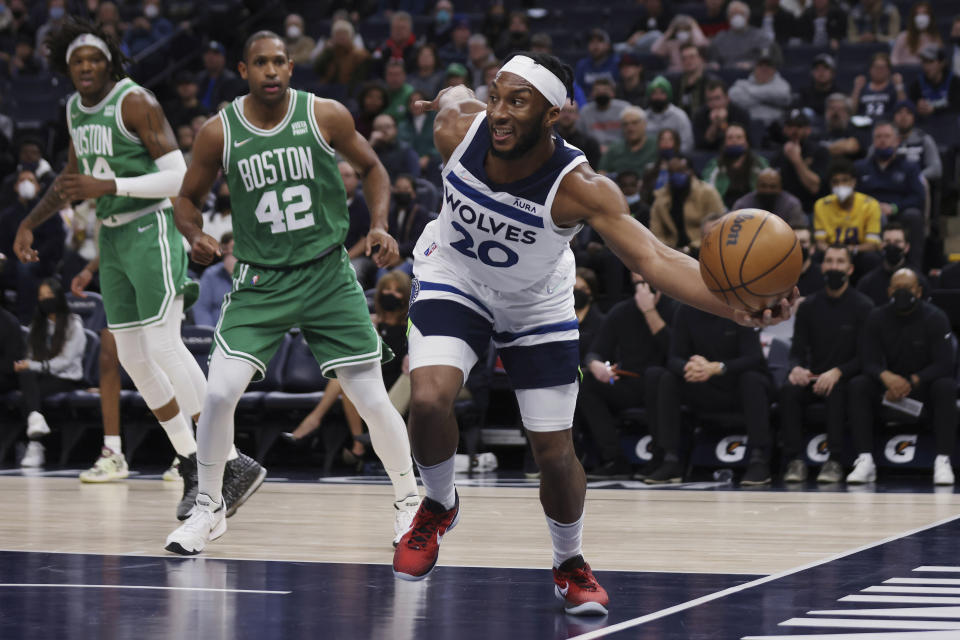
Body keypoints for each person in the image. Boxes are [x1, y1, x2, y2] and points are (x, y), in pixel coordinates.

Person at [391, 52, 793, 616]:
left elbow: (655, 259)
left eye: (518, 102)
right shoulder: (457, 128)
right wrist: (451, 91)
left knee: (554, 453)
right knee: (429, 399)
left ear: (555, 113)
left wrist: (738, 308)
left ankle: (569, 563)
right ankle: (436, 504)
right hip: (453, 275)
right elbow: (457, 93)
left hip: (536, 302)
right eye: (497, 96)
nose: (500, 112)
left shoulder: (580, 187)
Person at [166, 31, 421, 555]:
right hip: (262, 279)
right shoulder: (220, 132)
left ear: (290, 66)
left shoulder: (324, 114)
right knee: (217, 393)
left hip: (328, 274)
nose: (271, 71)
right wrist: (195, 236)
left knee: (371, 397)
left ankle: (410, 502)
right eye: (260, 62)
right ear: (243, 69)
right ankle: (209, 508)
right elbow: (186, 200)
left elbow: (373, 167)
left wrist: (378, 222)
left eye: (279, 61)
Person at [15, 18, 262, 520]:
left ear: (110, 62)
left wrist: (110, 189)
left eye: (94, 60)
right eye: (77, 62)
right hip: (114, 236)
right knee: (132, 356)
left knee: (164, 344)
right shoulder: (73, 110)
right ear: (68, 68)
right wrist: (29, 221)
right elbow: (71, 176)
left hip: (151, 228)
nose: (86, 68)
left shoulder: (135, 101)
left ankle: (230, 460)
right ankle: (192, 460)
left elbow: (177, 173)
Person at [646, 299, 774, 485]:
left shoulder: (740, 308)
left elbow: (754, 358)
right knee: (668, 378)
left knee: (751, 379)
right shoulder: (686, 310)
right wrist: (688, 368)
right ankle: (670, 459)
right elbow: (674, 357)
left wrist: (719, 367)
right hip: (703, 385)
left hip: (736, 388)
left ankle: (758, 459)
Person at [847, 268, 957, 485]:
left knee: (946, 386)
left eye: (907, 288)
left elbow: (945, 364)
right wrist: (886, 376)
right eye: (897, 288)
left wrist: (913, 380)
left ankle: (943, 460)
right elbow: (868, 360)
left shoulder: (935, 317)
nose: (902, 293)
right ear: (889, 291)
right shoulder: (876, 317)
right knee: (858, 385)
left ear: (918, 291)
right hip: (887, 386)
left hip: (923, 385)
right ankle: (865, 460)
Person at [780, 245, 874, 483]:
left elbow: (867, 357)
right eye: (829, 261)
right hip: (814, 376)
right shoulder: (808, 306)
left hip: (844, 376)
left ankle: (834, 461)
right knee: (789, 390)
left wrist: (838, 372)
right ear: (822, 266)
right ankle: (794, 460)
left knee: (838, 389)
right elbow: (797, 350)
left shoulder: (863, 306)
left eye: (840, 261)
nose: (834, 266)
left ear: (850, 269)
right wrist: (796, 368)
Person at [580, 274, 674, 479]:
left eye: (648, 283)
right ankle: (614, 458)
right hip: (631, 382)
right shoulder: (621, 311)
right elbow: (596, 351)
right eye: (638, 284)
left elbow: (674, 352)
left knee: (656, 376)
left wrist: (650, 312)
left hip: (669, 384)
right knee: (588, 383)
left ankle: (662, 455)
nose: (643, 289)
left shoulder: (675, 308)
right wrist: (597, 365)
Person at [15, 278, 86, 468]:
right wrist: (27, 365)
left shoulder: (73, 324)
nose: (45, 299)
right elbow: (31, 355)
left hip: (67, 377)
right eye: (41, 296)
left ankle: (35, 444)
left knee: (29, 392)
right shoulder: (36, 326)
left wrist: (33, 366)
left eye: (49, 295)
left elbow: (66, 362)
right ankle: (36, 421)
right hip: (42, 376)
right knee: (26, 377)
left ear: (59, 297)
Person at [70, 256, 129, 483]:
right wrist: (88, 270)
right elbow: (112, 232)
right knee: (107, 358)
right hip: (119, 273)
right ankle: (113, 451)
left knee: (164, 357)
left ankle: (189, 451)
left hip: (154, 264)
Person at [855, 121, 926, 268]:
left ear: (897, 141)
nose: (882, 140)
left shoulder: (909, 167)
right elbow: (854, 196)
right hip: (868, 216)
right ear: (873, 141)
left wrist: (894, 208)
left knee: (914, 216)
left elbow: (918, 197)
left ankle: (913, 268)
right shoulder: (860, 167)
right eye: (878, 137)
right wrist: (873, 208)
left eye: (887, 136)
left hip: (898, 213)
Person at [0, 169, 64, 323]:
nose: (26, 183)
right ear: (15, 186)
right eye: (22, 180)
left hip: (42, 261)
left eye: (31, 180)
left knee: (26, 268)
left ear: (38, 187)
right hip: (13, 261)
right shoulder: (7, 215)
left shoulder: (49, 212)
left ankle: (26, 320)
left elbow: (56, 242)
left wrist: (34, 255)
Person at [814, 159, 882, 276]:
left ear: (853, 182)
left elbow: (872, 244)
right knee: (816, 257)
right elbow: (820, 243)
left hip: (857, 253)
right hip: (831, 252)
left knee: (871, 258)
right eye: (835, 182)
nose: (840, 185)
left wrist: (849, 250)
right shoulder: (821, 205)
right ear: (830, 184)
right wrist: (834, 254)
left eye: (845, 180)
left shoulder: (871, 204)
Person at [650, 154, 725, 255]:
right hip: (671, 251)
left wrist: (690, 248)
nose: (677, 175)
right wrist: (668, 249)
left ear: (691, 171)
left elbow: (718, 227)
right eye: (672, 172)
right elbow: (656, 233)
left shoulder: (707, 193)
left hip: (702, 248)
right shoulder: (661, 197)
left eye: (681, 170)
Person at [856, 222, 930, 305]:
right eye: (887, 242)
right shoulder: (867, 283)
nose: (892, 246)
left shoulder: (919, 281)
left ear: (906, 247)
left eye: (897, 242)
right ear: (881, 246)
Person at [773, 109, 831, 214]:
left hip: (811, 210)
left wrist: (797, 160)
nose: (794, 130)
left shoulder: (820, 151)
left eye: (799, 126)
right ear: (784, 129)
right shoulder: (778, 154)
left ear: (808, 129)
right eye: (790, 126)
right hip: (783, 211)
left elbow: (814, 187)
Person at [700, 124, 769, 208]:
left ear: (746, 142)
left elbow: (768, 189)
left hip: (754, 211)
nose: (734, 141)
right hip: (723, 212)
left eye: (739, 137)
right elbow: (707, 191)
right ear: (724, 143)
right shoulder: (715, 165)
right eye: (730, 138)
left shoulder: (759, 164)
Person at [377, 173, 431, 280]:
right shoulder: (390, 212)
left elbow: (418, 242)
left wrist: (397, 252)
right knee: (381, 274)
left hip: (411, 259)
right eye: (398, 188)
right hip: (390, 256)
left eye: (406, 189)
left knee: (395, 277)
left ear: (414, 193)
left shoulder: (420, 213)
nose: (401, 192)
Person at [728, 51, 792, 129]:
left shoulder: (782, 84)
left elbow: (783, 95)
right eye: (760, 65)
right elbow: (733, 96)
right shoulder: (743, 83)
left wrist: (750, 91)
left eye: (768, 65)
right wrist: (770, 100)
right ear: (754, 68)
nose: (764, 68)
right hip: (749, 126)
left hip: (775, 127)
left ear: (774, 69)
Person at [709, 1, 781, 69]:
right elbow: (713, 59)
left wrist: (753, 64)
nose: (737, 17)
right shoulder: (721, 38)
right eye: (733, 14)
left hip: (751, 74)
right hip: (726, 74)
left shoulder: (759, 36)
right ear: (728, 18)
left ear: (747, 17)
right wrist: (714, 64)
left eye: (740, 14)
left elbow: (765, 55)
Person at [886, 100, 941, 182]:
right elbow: (870, 165)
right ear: (893, 117)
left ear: (914, 118)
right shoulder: (885, 138)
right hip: (890, 185)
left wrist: (917, 177)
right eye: (899, 112)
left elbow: (936, 169)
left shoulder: (924, 139)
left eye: (908, 113)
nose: (903, 116)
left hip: (917, 185)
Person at [732, 168, 807, 227]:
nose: (768, 190)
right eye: (763, 186)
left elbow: (799, 232)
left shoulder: (791, 204)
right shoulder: (742, 205)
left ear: (780, 187)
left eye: (773, 186)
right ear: (756, 186)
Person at [692, 79, 752, 152]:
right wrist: (714, 125)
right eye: (710, 99)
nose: (714, 103)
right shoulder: (699, 115)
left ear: (727, 98)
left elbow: (748, 143)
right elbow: (700, 146)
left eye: (717, 98)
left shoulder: (740, 114)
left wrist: (723, 123)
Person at [313, 19, 370, 97]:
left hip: (348, 92)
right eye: (338, 34)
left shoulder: (360, 55)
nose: (341, 37)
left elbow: (358, 80)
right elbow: (317, 69)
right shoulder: (330, 52)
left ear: (351, 36)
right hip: (328, 91)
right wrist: (327, 52)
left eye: (344, 34)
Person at [598, 107, 657, 176]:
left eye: (634, 123)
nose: (630, 128)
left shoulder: (656, 145)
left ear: (644, 123)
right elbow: (601, 173)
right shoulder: (614, 148)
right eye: (625, 124)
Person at [194, 232, 235, 327]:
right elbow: (201, 308)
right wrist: (208, 335)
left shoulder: (252, 276)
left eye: (233, 249)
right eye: (225, 249)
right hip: (216, 332)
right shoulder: (211, 275)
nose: (229, 253)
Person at [579, 77, 630, 153]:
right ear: (592, 94)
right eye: (597, 90)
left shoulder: (625, 108)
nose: (601, 93)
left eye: (605, 90)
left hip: (622, 151)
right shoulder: (585, 111)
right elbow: (581, 137)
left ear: (613, 93)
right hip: (593, 152)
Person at [644, 76, 694, 154]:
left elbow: (687, 145)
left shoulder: (680, 116)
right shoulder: (643, 117)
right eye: (654, 93)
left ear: (668, 95)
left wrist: (673, 156)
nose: (658, 97)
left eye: (662, 93)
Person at [909, 45, 960, 118]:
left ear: (942, 63)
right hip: (926, 125)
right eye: (924, 62)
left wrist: (935, 110)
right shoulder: (917, 84)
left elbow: (956, 108)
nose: (926, 66)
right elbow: (910, 108)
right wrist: (917, 106)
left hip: (950, 124)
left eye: (930, 61)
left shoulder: (955, 82)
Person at [852, 52, 905, 120]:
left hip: (888, 125)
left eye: (882, 68)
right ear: (870, 69)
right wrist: (856, 89)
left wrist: (899, 86)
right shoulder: (862, 88)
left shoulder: (894, 88)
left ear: (889, 70)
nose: (879, 70)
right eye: (876, 67)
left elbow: (903, 108)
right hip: (863, 126)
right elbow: (852, 111)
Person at [195, 41, 244, 112]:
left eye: (215, 53)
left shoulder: (231, 79)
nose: (210, 57)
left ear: (223, 58)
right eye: (207, 53)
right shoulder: (199, 77)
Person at [671, 43, 717, 117]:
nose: (688, 61)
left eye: (692, 57)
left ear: (700, 59)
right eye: (684, 58)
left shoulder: (712, 82)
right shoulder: (675, 83)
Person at [370, 113, 420, 180]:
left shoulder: (406, 150)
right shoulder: (371, 150)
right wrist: (370, 143)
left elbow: (415, 177)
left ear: (395, 129)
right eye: (379, 127)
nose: (384, 131)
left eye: (388, 127)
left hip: (399, 189)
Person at [891, 2, 942, 66]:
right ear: (913, 17)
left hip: (926, 73)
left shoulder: (935, 38)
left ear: (930, 17)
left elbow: (939, 61)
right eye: (918, 14)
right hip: (905, 72)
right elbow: (894, 58)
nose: (921, 17)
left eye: (924, 13)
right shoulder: (903, 36)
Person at [554, 101, 600, 170]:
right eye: (563, 111)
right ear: (556, 114)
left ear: (577, 116)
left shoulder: (590, 143)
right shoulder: (548, 141)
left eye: (570, 111)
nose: (566, 115)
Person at [820, 94, 867, 161]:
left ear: (848, 113)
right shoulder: (818, 130)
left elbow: (851, 147)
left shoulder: (856, 129)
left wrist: (822, 150)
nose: (835, 112)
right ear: (826, 112)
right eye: (832, 108)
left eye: (840, 109)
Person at [574, 28, 619, 97]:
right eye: (591, 41)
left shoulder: (616, 63)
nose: (595, 45)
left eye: (600, 41)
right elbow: (577, 90)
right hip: (587, 104)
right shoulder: (582, 65)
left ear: (608, 45)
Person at [372, 11, 418, 76]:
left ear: (410, 30)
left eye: (402, 28)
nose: (398, 31)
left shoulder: (417, 51)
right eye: (395, 28)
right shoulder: (382, 48)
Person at [795, 225, 826, 296]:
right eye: (794, 241)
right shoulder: (781, 274)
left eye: (803, 242)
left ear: (812, 248)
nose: (798, 245)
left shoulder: (823, 275)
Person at [383, 59, 415, 123]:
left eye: (397, 74)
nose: (394, 78)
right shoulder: (381, 93)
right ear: (385, 76)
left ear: (404, 76)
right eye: (390, 74)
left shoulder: (411, 93)